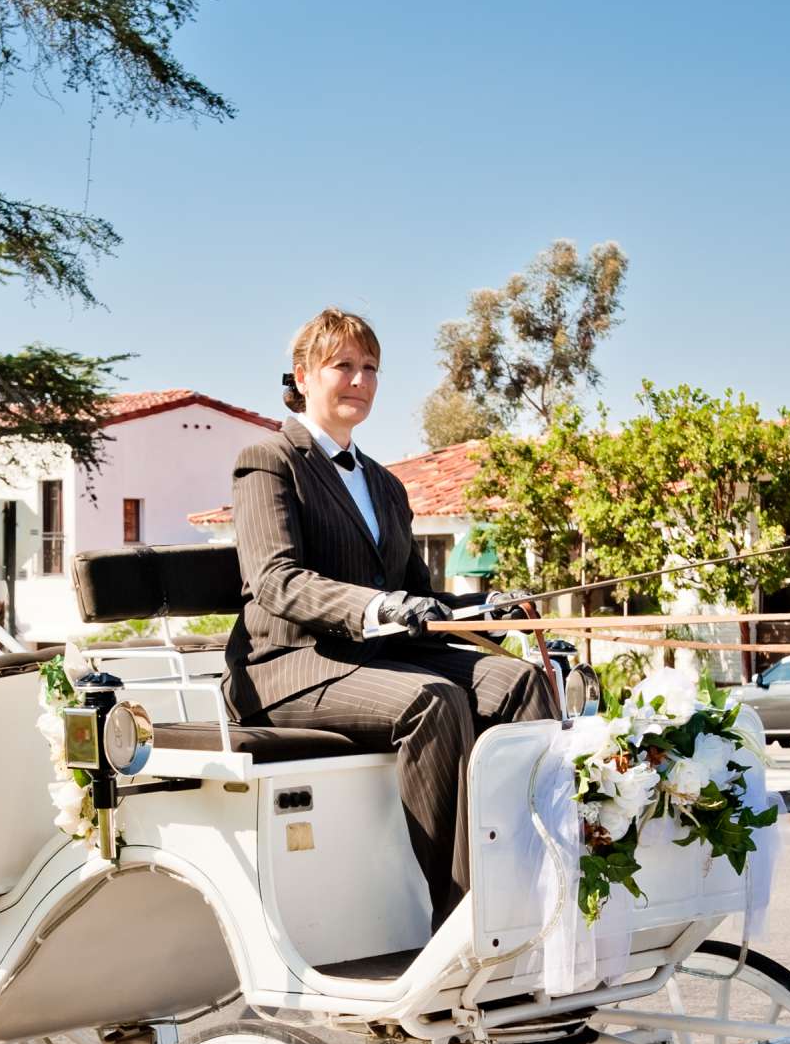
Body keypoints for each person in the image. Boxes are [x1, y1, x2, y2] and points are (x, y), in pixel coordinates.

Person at [224, 307, 553, 926]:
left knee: (522, 682)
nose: (359, 381)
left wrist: (491, 613)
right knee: (433, 699)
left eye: (370, 368)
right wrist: (378, 607)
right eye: (342, 365)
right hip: (291, 668)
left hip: (378, 662)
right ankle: (461, 920)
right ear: (302, 374)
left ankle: (529, 884)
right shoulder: (268, 459)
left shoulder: (385, 483)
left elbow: (422, 596)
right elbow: (274, 581)